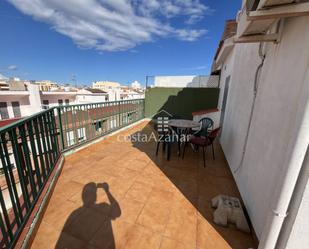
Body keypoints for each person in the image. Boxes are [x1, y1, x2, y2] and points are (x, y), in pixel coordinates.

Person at [55, 182, 121, 249]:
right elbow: (117, 212)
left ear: (83, 197)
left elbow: (61, 242)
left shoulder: (75, 214)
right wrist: (107, 191)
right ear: (95, 196)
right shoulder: (103, 207)